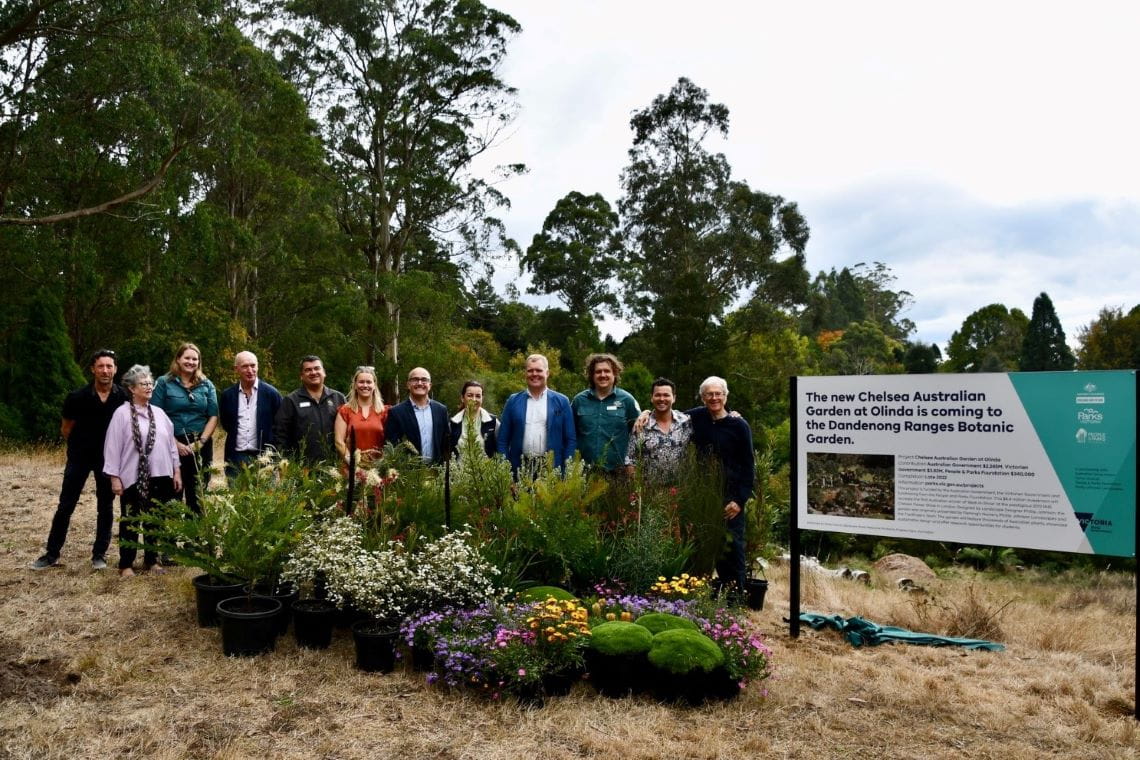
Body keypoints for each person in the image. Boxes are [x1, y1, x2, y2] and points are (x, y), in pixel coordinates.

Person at [31, 349, 128, 571]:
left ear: (115, 369)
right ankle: (52, 554)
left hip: (109, 461)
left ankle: (99, 554)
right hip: (79, 458)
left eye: (109, 366)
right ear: (93, 369)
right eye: (101, 366)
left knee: (105, 507)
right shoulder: (76, 397)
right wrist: (78, 448)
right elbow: (66, 429)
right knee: (66, 505)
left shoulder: (123, 398)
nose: (105, 370)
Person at [102, 365, 182, 578]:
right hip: (132, 477)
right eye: (143, 384)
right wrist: (114, 478)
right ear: (131, 388)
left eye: (150, 383)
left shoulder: (160, 413)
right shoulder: (121, 414)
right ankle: (126, 564)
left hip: (161, 474)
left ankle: (151, 560)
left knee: (154, 519)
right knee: (131, 519)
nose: (148, 387)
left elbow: (171, 446)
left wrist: (176, 471)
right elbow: (112, 447)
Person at [689, 376, 754, 595]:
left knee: (732, 549)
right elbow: (667, 413)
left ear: (726, 397)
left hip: (731, 499)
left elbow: (748, 465)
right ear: (702, 397)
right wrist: (644, 414)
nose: (714, 397)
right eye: (709, 394)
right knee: (703, 547)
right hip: (704, 496)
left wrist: (740, 500)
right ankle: (701, 596)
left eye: (718, 394)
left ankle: (734, 599)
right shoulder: (695, 417)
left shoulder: (739, 425)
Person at [151, 343, 218, 513]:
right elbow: (156, 415)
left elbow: (213, 416)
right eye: (187, 358)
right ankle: (170, 538)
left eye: (195, 359)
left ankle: (193, 538)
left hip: (199, 443)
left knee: (197, 494)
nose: (191, 362)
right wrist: (174, 443)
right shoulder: (163, 383)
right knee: (172, 493)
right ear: (178, 359)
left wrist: (200, 442)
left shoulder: (207, 384)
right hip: (171, 443)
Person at [497, 354, 576, 477]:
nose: (534, 374)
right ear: (525, 373)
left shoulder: (562, 401)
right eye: (530, 370)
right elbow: (502, 440)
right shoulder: (513, 401)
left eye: (539, 370)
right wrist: (506, 473)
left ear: (547, 373)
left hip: (552, 469)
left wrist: (565, 472)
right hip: (519, 469)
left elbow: (570, 440)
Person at [571, 353, 640, 473]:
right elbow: (570, 434)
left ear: (615, 374)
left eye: (607, 371)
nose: (603, 375)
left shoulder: (627, 400)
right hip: (584, 472)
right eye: (598, 372)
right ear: (592, 375)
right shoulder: (579, 401)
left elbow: (638, 433)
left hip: (617, 472)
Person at [218, 351, 282, 477]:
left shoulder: (272, 394)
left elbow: (280, 424)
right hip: (236, 457)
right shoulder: (228, 395)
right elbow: (226, 424)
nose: (250, 370)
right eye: (245, 366)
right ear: (236, 369)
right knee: (237, 495)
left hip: (264, 458)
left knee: (265, 495)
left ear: (258, 367)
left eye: (253, 366)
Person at [273, 355, 347, 464]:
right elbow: (280, 435)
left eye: (317, 368)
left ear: (324, 372)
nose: (313, 372)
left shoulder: (338, 398)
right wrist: (283, 463)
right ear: (301, 376)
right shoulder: (291, 400)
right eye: (308, 370)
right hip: (302, 467)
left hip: (335, 466)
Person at [624, 377, 691, 484]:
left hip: (680, 489)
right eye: (658, 395)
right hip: (649, 490)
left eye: (666, 395)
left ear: (674, 398)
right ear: (652, 398)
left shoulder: (685, 422)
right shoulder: (641, 425)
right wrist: (637, 488)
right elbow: (630, 460)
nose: (661, 399)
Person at [384, 367, 450, 464]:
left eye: (424, 380)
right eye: (415, 379)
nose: (419, 383)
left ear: (430, 385)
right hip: (409, 473)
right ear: (408, 384)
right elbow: (391, 445)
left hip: (437, 471)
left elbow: (446, 442)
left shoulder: (441, 410)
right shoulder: (396, 412)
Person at [334, 366, 387, 467]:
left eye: (369, 382)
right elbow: (339, 442)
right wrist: (353, 463)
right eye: (361, 382)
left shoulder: (385, 411)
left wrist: (382, 464)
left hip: (379, 468)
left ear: (374, 385)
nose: (365, 385)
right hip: (351, 469)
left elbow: (391, 442)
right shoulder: (344, 411)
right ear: (355, 385)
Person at [448, 380, 499, 458]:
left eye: (478, 396)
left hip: (486, 470)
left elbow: (502, 447)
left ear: (482, 398)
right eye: (470, 395)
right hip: (459, 469)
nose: (474, 399)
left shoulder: (493, 422)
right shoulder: (453, 424)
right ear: (462, 398)